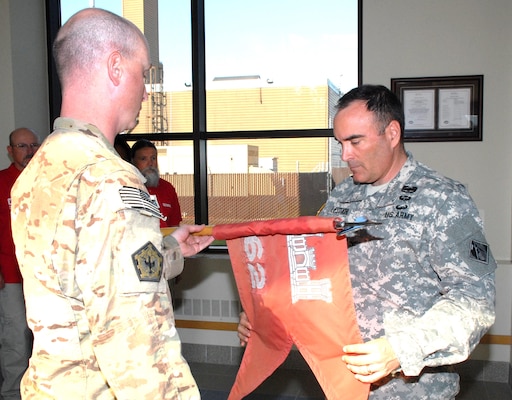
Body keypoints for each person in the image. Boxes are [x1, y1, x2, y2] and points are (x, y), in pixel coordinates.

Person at [238, 84, 496, 399]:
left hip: (412, 390)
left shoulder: (445, 199)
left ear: (392, 133)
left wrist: (400, 348)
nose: (345, 155)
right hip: (341, 382)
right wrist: (266, 314)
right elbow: (315, 274)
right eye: (341, 143)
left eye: (355, 141)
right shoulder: (342, 196)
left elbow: (476, 303)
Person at [10, 8, 213, 399]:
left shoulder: (39, 169)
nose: (146, 90)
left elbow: (84, 273)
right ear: (116, 67)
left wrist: (171, 248)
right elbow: (134, 336)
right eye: (144, 74)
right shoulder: (108, 176)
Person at [0, 127, 39, 400]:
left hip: (42, 275)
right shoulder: (2, 181)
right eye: (22, 146)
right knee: (16, 339)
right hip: (11, 275)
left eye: (33, 145)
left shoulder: (45, 181)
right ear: (10, 150)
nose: (29, 151)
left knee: (44, 339)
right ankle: (13, 394)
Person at [131, 139, 182, 227]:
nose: (150, 163)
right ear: (133, 162)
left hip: (166, 240)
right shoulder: (127, 187)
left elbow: (174, 225)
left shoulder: (167, 188)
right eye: (143, 159)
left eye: (153, 158)